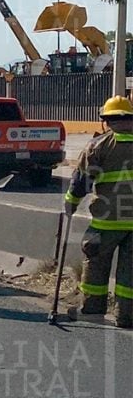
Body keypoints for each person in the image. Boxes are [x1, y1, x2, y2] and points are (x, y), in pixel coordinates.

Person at [64, 96, 133, 329]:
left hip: (106, 223)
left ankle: (92, 311)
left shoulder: (98, 146)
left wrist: (70, 204)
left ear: (106, 120)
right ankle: (126, 316)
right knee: (129, 273)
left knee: (95, 265)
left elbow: (81, 182)